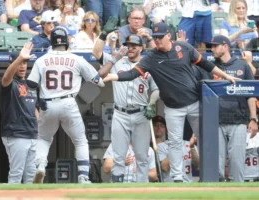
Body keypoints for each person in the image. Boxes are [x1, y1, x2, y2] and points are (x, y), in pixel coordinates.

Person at [102, 22, 238, 182]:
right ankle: (178, 178)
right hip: (173, 107)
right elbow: (132, 73)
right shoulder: (152, 57)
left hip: (193, 102)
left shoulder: (184, 48)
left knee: (205, 138)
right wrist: (114, 76)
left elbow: (205, 64)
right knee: (174, 142)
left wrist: (225, 75)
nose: (157, 40)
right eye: (155, 37)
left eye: (160, 37)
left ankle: (214, 174)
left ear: (169, 36)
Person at [26, 26, 105, 184]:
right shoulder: (77, 59)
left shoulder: (41, 60)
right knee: (80, 140)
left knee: (43, 139)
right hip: (69, 102)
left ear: (52, 41)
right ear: (67, 41)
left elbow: (31, 84)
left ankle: (40, 166)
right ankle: (83, 176)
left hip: (47, 104)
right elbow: (99, 81)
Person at [93, 29, 159, 182]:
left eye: (134, 45)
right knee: (119, 155)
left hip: (141, 113)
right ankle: (117, 190)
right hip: (120, 114)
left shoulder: (148, 65)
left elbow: (156, 90)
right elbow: (96, 52)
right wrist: (103, 35)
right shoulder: (117, 62)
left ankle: (142, 192)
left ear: (141, 48)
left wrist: (152, 103)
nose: (131, 48)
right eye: (128, 45)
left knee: (142, 156)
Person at [208, 35, 258, 182]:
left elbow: (251, 94)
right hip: (216, 121)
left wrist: (253, 118)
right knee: (216, 168)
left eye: (215, 46)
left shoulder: (242, 65)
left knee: (237, 165)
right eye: (211, 46)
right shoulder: (210, 67)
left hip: (238, 120)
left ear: (225, 46)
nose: (212, 49)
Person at [0, 43, 39, 184]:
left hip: (32, 133)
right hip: (16, 133)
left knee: (31, 174)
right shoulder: (11, 83)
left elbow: (35, 108)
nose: (22, 66)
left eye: (25, 63)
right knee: (17, 173)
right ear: (13, 64)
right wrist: (19, 58)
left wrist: (39, 129)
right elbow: (5, 78)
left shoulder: (31, 85)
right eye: (19, 63)